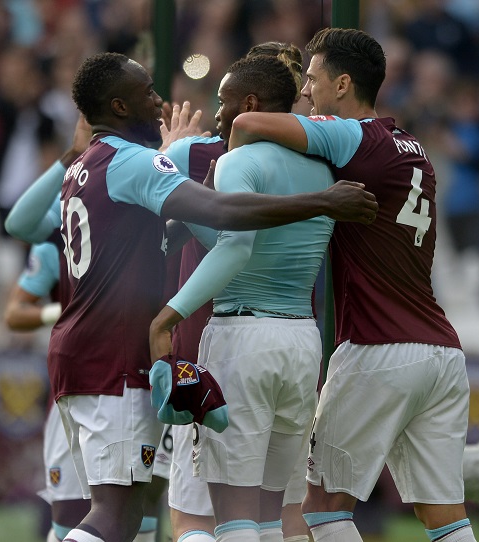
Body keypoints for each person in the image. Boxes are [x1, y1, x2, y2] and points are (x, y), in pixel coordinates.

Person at [6, 52, 377, 542]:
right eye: (147, 93)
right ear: (119, 105)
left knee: (135, 515)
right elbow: (222, 213)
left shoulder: (86, 165)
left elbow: (173, 230)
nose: (160, 101)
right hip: (116, 359)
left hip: (87, 353)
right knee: (119, 515)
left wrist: (176, 164)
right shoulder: (134, 162)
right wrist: (323, 202)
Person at [230, 28, 477, 542]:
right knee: (445, 516)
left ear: (343, 84)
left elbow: (247, 120)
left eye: (314, 80)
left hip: (378, 348)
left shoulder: (352, 137)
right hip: (442, 353)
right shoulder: (417, 153)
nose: (305, 92)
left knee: (320, 506)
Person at [151, 52, 332, 542]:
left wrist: (168, 317)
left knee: (232, 517)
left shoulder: (235, 162)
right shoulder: (322, 168)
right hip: (301, 341)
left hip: (241, 336)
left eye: (223, 100)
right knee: (274, 517)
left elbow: (235, 249)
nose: (216, 111)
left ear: (249, 103)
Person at [4, 243, 173, 542]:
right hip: (90, 380)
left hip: (147, 379)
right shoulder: (57, 241)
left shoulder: (150, 228)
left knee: (141, 506)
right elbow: (14, 312)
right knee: (76, 515)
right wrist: (64, 307)